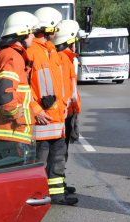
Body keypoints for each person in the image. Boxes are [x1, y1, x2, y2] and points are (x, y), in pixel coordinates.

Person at [28, 7, 76, 205]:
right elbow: (24, 86)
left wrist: (65, 106)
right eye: (55, 27)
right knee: (39, 161)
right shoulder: (32, 52)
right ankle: (38, 194)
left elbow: (59, 85)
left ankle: (56, 194)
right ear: (49, 28)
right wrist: (36, 109)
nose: (57, 31)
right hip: (42, 119)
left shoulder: (51, 52)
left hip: (56, 118)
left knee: (57, 159)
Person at [0, 12, 39, 164]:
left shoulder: (1, 55)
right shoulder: (12, 56)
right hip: (9, 134)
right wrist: (16, 115)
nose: (34, 36)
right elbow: (3, 93)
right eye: (32, 32)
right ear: (22, 33)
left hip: (0, 135)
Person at [54, 19, 81, 195]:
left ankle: (60, 183)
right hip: (63, 112)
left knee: (61, 151)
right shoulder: (63, 59)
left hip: (68, 111)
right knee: (59, 152)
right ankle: (57, 186)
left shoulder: (68, 58)